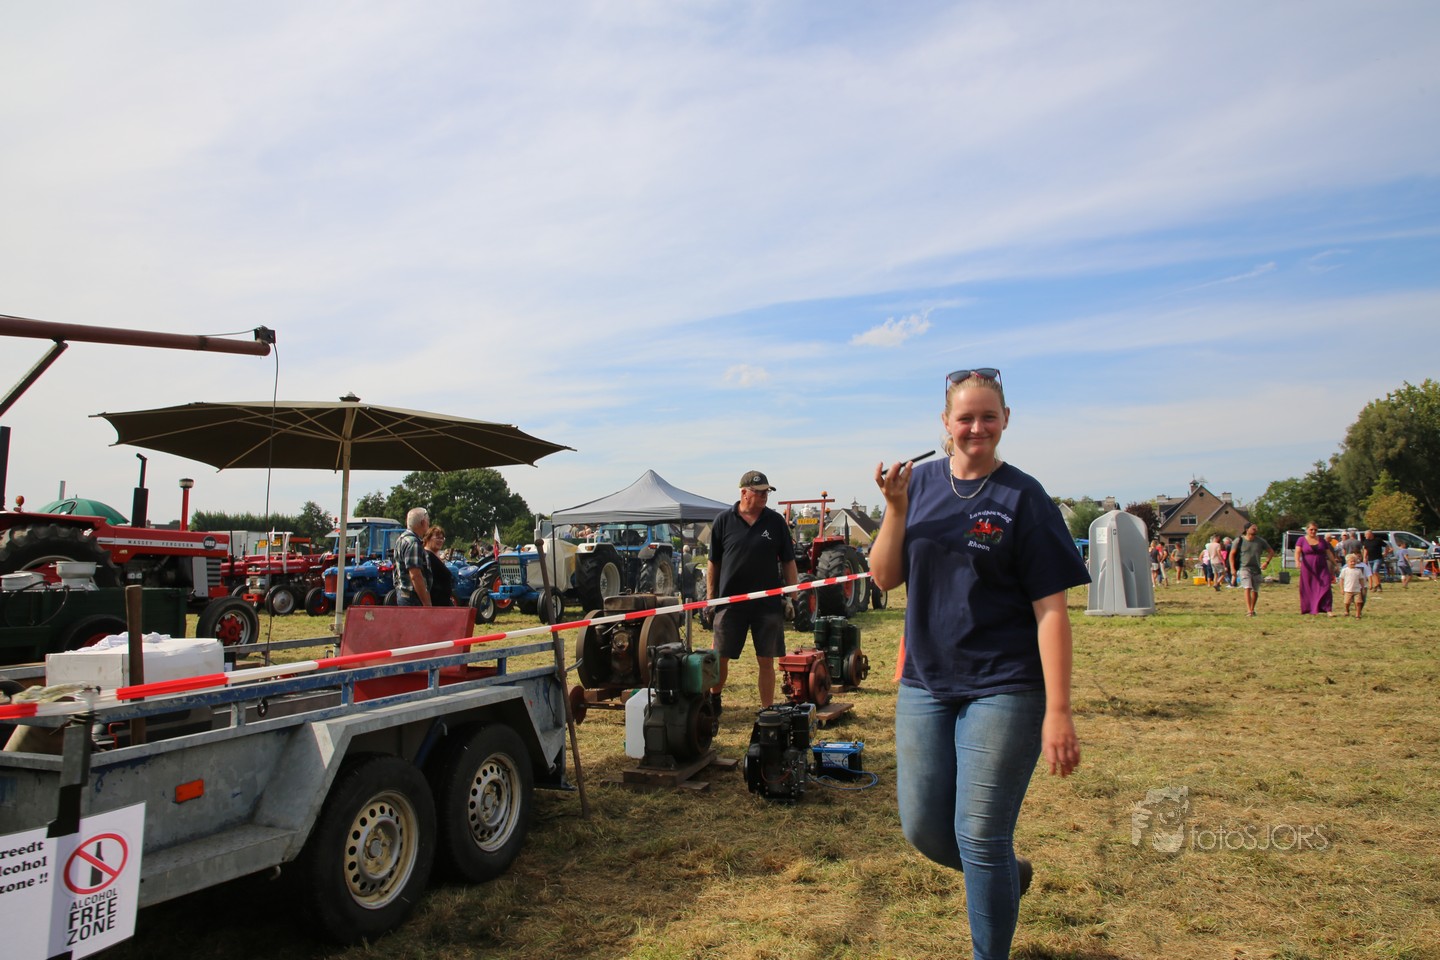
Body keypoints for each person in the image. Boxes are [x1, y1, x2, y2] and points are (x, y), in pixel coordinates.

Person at [870, 367, 1090, 960]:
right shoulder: (917, 486)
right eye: (965, 417)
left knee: (981, 834)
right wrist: (894, 507)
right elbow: (884, 578)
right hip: (925, 684)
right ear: (945, 423)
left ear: (1006, 420)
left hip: (1006, 686)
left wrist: (1059, 711)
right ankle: (1009, 877)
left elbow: (1051, 611)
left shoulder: (1024, 498)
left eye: (988, 416)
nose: (976, 428)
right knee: (924, 829)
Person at [707, 470, 797, 712]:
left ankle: (767, 710)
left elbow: (788, 561)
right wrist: (710, 599)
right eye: (759, 492)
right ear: (744, 493)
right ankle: (714, 699)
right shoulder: (723, 521)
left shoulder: (775, 522)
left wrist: (793, 598)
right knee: (720, 656)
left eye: (767, 491)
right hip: (730, 603)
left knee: (766, 660)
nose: (764, 495)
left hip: (767, 604)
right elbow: (713, 562)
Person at [1229, 524, 1275, 617]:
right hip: (1244, 567)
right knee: (1247, 587)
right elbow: (1232, 554)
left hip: (1256, 568)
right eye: (1253, 528)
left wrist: (1266, 562)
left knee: (1255, 590)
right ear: (1247, 529)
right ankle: (1249, 610)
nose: (1255, 529)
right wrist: (1232, 568)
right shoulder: (1239, 540)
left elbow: (1271, 551)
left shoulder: (1260, 541)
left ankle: (1252, 609)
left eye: (1256, 528)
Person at [1294, 522, 1336, 616]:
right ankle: (1310, 608)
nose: (1313, 531)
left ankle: (1328, 609)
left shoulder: (1322, 540)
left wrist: (1335, 564)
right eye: (1311, 529)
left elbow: (1329, 553)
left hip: (1322, 567)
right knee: (1308, 587)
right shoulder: (1301, 540)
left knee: (1326, 586)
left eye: (1315, 530)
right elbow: (1297, 551)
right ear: (1307, 530)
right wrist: (1297, 561)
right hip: (1308, 568)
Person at [393, 507, 433, 606]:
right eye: (428, 521)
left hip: (403, 595)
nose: (429, 524)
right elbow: (415, 576)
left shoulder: (401, 539)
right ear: (423, 522)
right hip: (412, 598)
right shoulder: (413, 543)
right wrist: (427, 603)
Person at [424, 524, 454, 606]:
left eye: (442, 538)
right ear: (428, 538)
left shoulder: (436, 556)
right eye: (437, 538)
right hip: (434, 602)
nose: (440, 540)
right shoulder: (427, 556)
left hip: (443, 601)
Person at [1340, 553, 1367, 618]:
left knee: (1358, 602)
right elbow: (1341, 580)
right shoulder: (1344, 570)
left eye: (1354, 561)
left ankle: (1358, 615)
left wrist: (1363, 588)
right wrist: (1342, 589)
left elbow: (1361, 580)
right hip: (1348, 590)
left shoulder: (1358, 571)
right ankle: (1347, 610)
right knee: (1347, 602)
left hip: (1357, 590)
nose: (1353, 563)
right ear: (1347, 562)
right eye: (1351, 561)